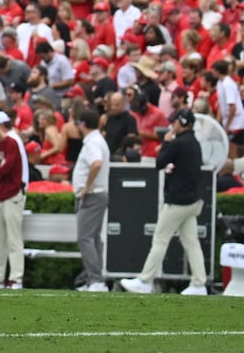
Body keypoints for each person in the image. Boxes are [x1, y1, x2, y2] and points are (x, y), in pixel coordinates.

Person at [120, 108, 210, 295]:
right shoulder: (194, 143)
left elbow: (159, 163)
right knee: (191, 242)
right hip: (192, 200)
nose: (172, 125)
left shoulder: (179, 143)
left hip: (178, 201)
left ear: (183, 122)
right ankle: (199, 283)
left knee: (160, 239)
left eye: (175, 122)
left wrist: (167, 143)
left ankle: (145, 280)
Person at [0, 110, 27, 289]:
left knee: (13, 238)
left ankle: (16, 277)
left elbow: (5, 169)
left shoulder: (12, 143)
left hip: (12, 195)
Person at [71, 107, 111, 292]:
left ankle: (96, 280)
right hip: (97, 193)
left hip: (93, 194)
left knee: (85, 237)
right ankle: (94, 279)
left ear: (83, 124)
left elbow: (96, 163)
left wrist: (86, 187)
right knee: (93, 238)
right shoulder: (97, 140)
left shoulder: (92, 142)